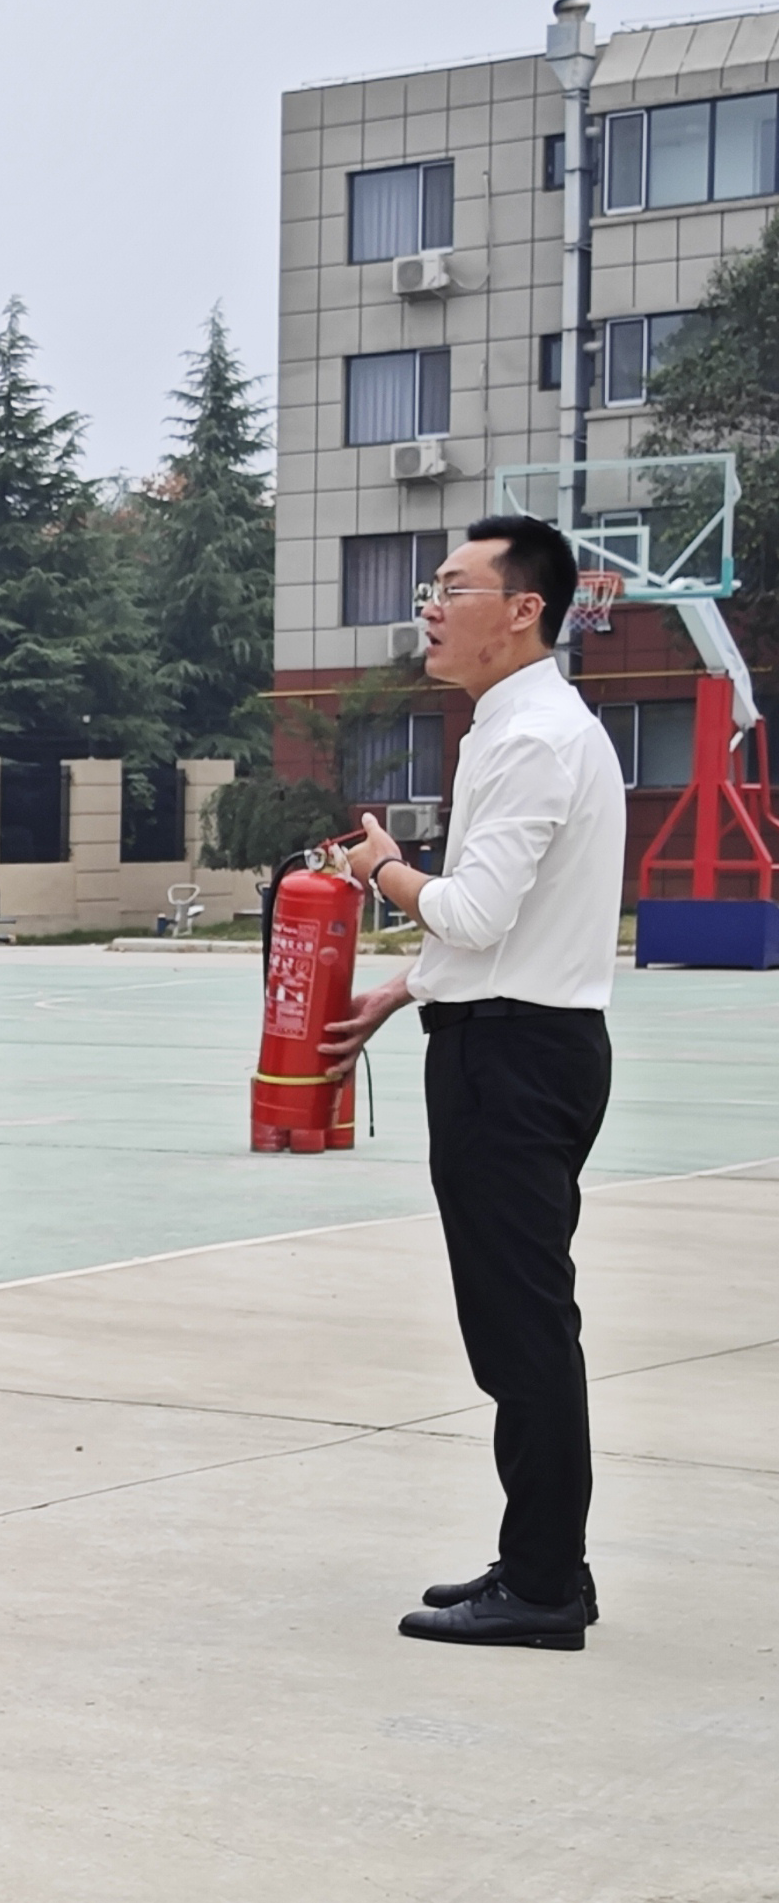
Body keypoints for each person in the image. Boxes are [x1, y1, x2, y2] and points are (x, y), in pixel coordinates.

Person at [320, 513, 629, 1652]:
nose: (430, 608)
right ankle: (539, 1559)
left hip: (512, 1059)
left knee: (520, 1328)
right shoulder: (522, 724)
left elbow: (474, 911)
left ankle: (543, 1586)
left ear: (523, 609)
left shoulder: (531, 736)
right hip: (517, 1040)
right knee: (517, 1322)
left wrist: (381, 869)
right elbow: (513, 926)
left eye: (453, 588)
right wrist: (406, 990)